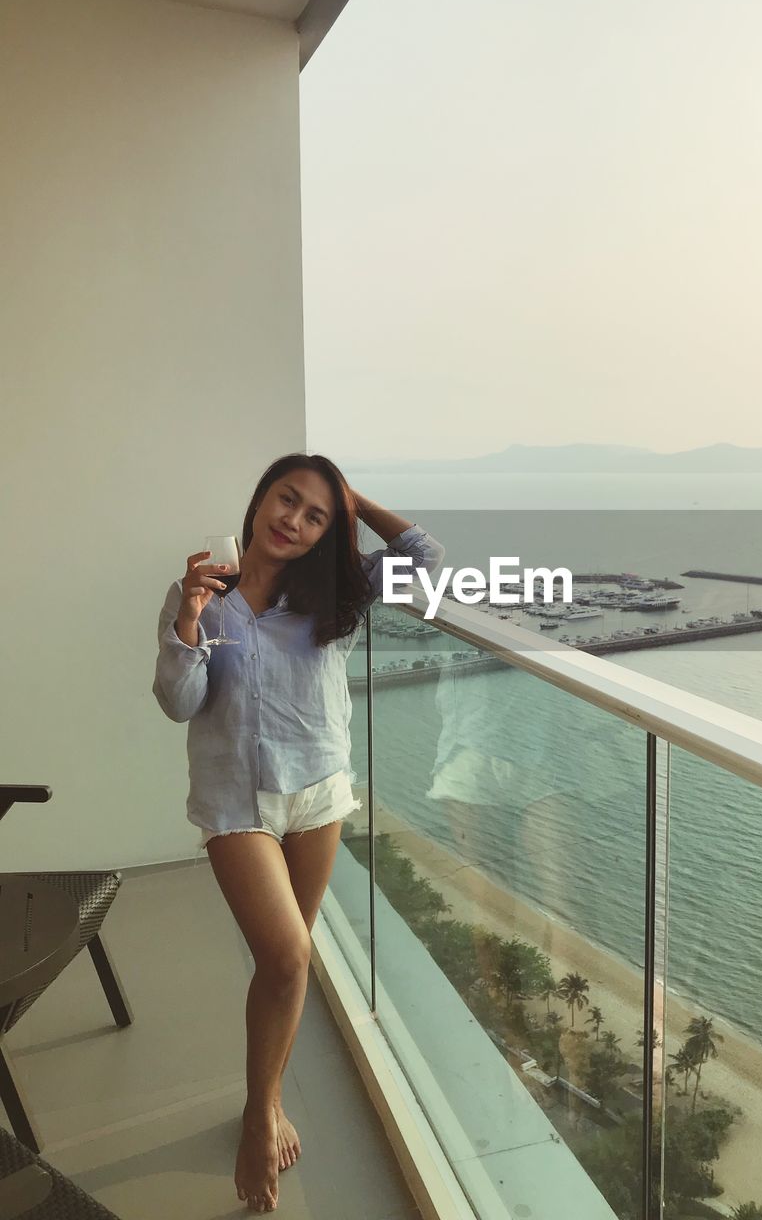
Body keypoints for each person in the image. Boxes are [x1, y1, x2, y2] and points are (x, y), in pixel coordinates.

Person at [152, 453, 444, 1214]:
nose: (295, 521)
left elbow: (425, 556)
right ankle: (258, 1118)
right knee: (288, 956)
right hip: (236, 801)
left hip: (319, 794)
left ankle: (269, 1095)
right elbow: (179, 704)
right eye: (288, 500)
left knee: (284, 969)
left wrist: (353, 500)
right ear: (259, 501)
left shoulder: (336, 593)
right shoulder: (205, 595)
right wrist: (187, 618)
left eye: (316, 516)